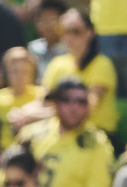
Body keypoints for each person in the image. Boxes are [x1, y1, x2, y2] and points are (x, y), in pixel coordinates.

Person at [17, 78, 115, 187]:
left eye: (81, 101)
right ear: (55, 103)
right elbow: (7, 179)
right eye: (67, 100)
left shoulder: (97, 142)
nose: (74, 107)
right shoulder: (31, 135)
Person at [41, 8, 120, 140]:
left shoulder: (102, 64)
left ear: (89, 33)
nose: (69, 36)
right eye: (64, 31)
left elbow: (85, 109)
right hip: (60, 134)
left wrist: (34, 116)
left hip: (96, 137)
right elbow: (43, 102)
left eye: (75, 31)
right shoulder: (57, 63)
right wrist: (23, 115)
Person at [0, 47, 45, 150]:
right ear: (6, 73)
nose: (20, 76)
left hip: (34, 151)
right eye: (15, 71)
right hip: (4, 153)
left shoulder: (41, 94)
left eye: (25, 71)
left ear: (33, 74)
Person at [28, 0, 68, 78]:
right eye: (42, 20)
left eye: (51, 19)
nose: (47, 25)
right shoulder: (33, 49)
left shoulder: (70, 49)